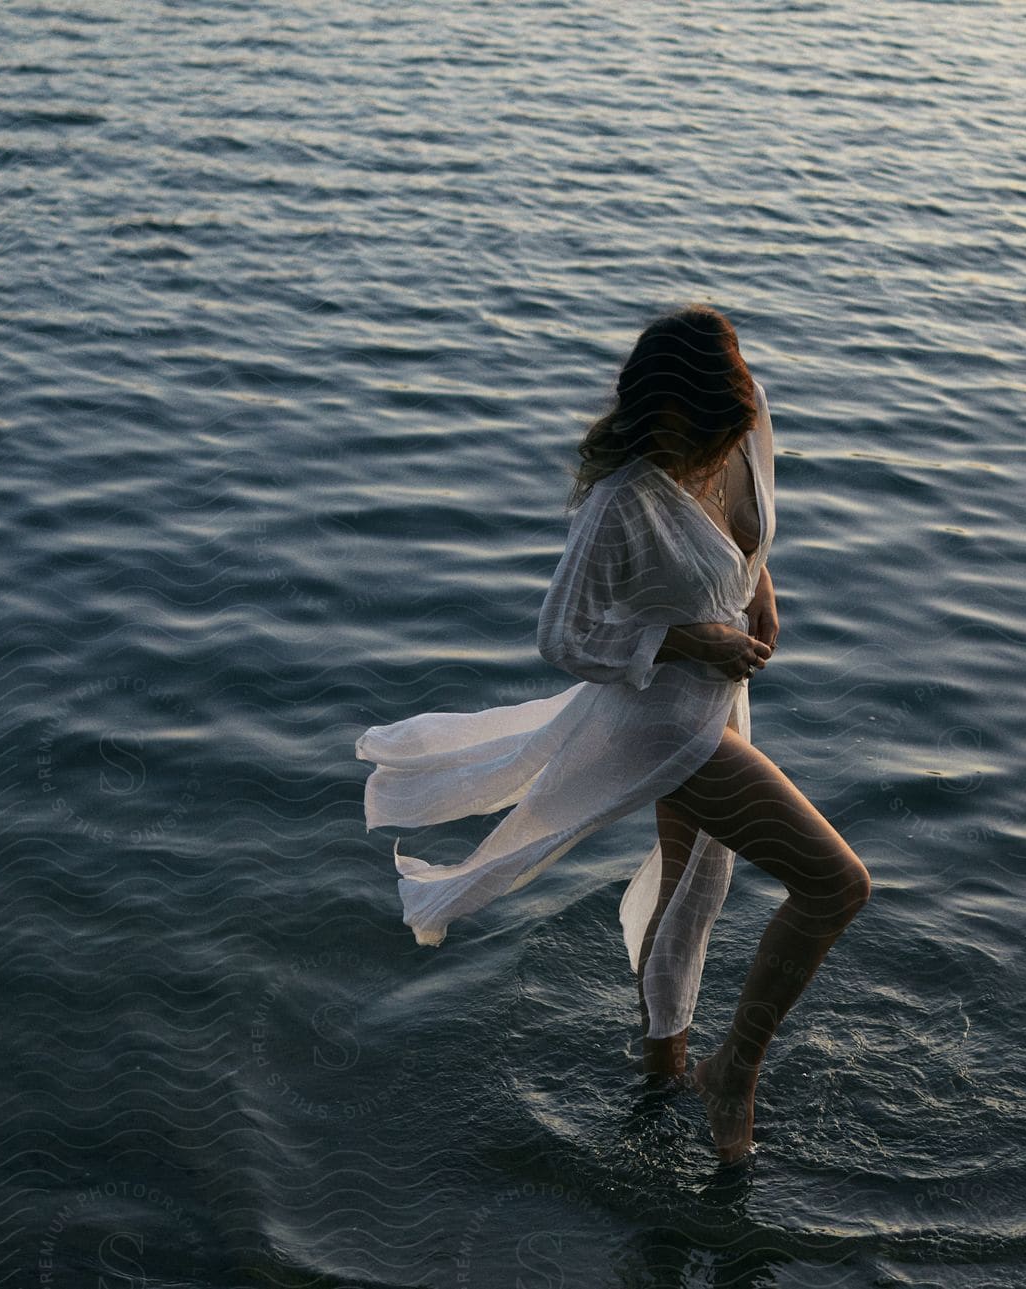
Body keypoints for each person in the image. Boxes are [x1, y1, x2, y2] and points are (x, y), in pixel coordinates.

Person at [356, 304, 871, 1163]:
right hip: (667, 720)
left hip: (725, 701)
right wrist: (682, 637)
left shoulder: (742, 421)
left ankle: (662, 1068)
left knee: (685, 891)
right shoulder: (622, 500)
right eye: (704, 438)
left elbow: (746, 533)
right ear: (671, 419)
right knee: (836, 885)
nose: (722, 452)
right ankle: (732, 1073)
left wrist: (760, 588)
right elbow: (562, 635)